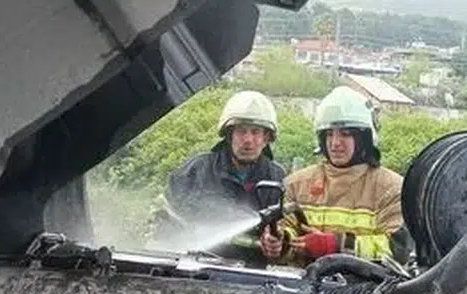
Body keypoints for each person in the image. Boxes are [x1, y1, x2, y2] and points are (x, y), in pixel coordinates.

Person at [259, 86, 408, 265]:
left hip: (363, 283)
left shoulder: (391, 188)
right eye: (329, 134)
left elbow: (397, 250)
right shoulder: (297, 183)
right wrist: (280, 242)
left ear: (364, 139)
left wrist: (337, 245)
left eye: (345, 134)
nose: (335, 143)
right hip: (304, 282)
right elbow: (287, 229)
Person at [154, 90, 285, 264]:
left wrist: (278, 242)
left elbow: (286, 231)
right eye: (241, 131)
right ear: (229, 135)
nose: (248, 140)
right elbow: (164, 218)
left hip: (251, 274)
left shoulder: (277, 178)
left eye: (255, 132)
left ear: (266, 138)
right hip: (197, 269)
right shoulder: (195, 171)